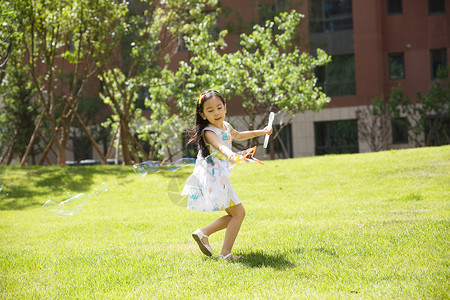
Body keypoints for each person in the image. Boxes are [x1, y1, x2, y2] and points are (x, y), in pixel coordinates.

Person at [182, 89, 273, 261]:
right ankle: (224, 253)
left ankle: (204, 233)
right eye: (210, 110)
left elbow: (239, 135)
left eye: (218, 107)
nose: (216, 112)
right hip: (214, 178)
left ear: (225, 107)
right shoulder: (208, 132)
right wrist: (231, 155)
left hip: (219, 178)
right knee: (239, 213)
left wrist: (263, 131)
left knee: (236, 214)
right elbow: (220, 146)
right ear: (202, 115)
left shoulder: (225, 126)